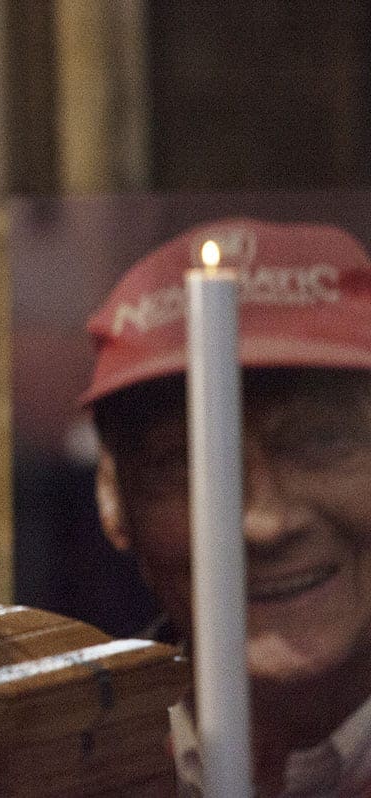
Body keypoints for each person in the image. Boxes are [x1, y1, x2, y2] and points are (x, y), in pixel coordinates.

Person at [82, 217, 371, 795]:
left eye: (320, 440)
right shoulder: (63, 772)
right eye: (188, 457)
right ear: (114, 497)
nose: (265, 524)